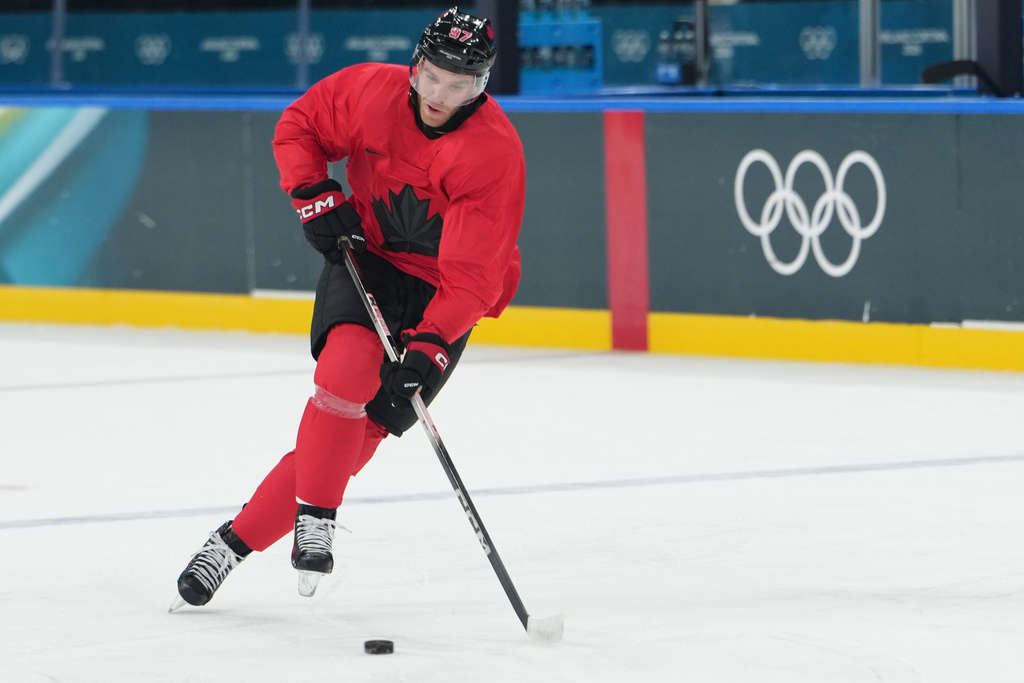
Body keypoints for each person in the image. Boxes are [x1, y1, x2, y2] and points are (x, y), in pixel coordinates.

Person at [169, 7, 524, 611]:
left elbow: (474, 276)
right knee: (345, 373)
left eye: (459, 86)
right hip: (370, 257)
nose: (439, 97)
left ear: (481, 86)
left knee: (357, 441)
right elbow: (300, 127)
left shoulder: (493, 152)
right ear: (416, 65)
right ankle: (318, 517)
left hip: (445, 291)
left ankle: (231, 543)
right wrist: (313, 192)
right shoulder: (369, 91)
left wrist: (432, 343)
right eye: (432, 77)